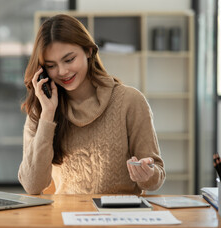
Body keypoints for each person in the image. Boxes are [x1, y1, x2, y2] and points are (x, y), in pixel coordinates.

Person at [18, 14, 165, 195]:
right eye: (51, 65)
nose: (62, 71)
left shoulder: (130, 101)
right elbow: (32, 185)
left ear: (88, 51)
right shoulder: (41, 108)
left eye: (69, 59)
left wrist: (146, 174)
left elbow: (155, 176)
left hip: (120, 217)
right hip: (66, 217)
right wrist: (48, 114)